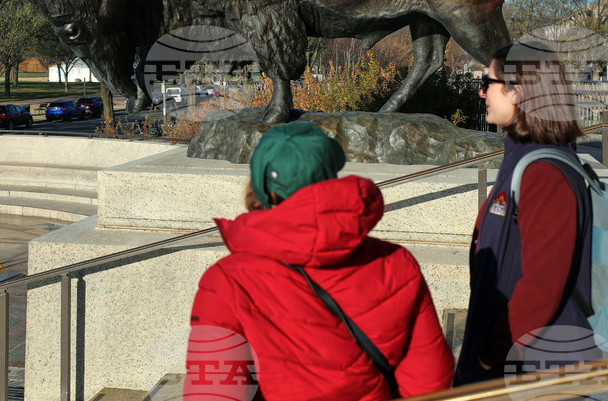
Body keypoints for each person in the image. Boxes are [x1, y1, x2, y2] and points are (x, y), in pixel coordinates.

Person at [187, 122, 454, 401]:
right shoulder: (397, 263)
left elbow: (213, 392)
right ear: (329, 176)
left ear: (260, 186)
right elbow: (430, 379)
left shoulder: (225, 282)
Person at [454, 42, 593, 385]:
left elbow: (542, 285)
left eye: (488, 83)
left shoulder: (545, 172)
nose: (482, 92)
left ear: (518, 92)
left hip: (529, 369)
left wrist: (490, 353)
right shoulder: (521, 158)